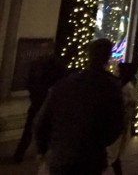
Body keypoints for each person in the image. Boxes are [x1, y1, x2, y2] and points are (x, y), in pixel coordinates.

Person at [32, 38, 123, 175]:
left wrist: (42, 149)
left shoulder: (66, 83)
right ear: (108, 56)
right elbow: (115, 125)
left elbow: (42, 120)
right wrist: (98, 143)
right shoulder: (110, 87)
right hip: (89, 157)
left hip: (60, 154)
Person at [12, 41, 67, 163]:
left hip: (42, 101)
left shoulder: (44, 65)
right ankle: (30, 153)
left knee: (33, 128)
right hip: (42, 101)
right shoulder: (49, 64)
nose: (43, 51)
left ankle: (25, 153)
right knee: (35, 128)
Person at [109, 62, 138, 175]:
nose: (115, 72)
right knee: (114, 154)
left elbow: (129, 105)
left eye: (117, 70)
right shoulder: (123, 85)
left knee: (113, 153)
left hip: (119, 123)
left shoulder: (126, 88)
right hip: (119, 123)